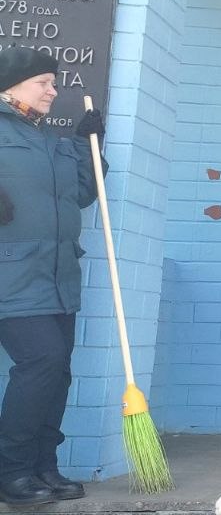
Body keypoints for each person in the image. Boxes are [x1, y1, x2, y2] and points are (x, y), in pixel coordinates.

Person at [0, 47, 104, 505]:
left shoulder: (51, 140)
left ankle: (43, 466)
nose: (53, 90)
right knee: (40, 362)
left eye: (53, 82)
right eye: (43, 81)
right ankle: (11, 471)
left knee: (57, 371)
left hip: (59, 277)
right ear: (11, 85)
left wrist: (87, 145)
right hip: (12, 275)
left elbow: (84, 194)